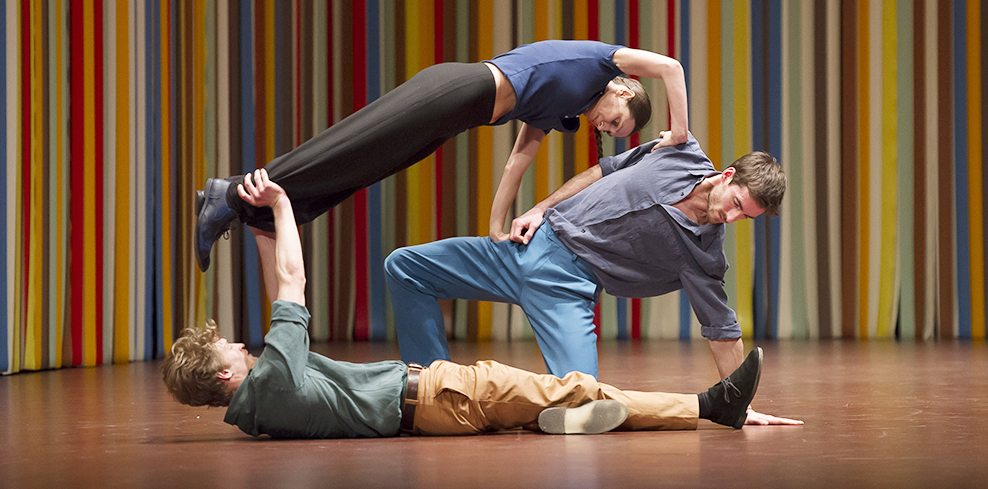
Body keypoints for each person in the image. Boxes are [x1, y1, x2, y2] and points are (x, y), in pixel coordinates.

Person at [163, 168, 781, 439]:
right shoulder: (271, 378)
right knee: (576, 390)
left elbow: (282, 293)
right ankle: (708, 408)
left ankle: (540, 412)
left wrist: (267, 233)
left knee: (574, 388)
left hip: (443, 382)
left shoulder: (254, 404)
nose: (242, 344)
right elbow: (290, 289)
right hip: (454, 377)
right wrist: (278, 206)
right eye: (230, 348)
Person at [385, 135, 803, 426]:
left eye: (743, 217)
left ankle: (483, 403)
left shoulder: (704, 253)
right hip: (526, 248)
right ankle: (434, 387)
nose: (730, 218)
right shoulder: (681, 153)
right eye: (735, 205)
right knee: (404, 266)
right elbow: (603, 171)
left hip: (566, 289)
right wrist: (541, 208)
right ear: (728, 176)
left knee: (582, 400)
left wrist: (740, 404)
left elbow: (722, 329)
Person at [194, 40, 690, 271]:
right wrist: (678, 133)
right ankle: (233, 192)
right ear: (624, 93)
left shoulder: (565, 106)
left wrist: (497, 226)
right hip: (457, 88)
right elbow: (671, 65)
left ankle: (261, 206)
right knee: (350, 144)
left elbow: (518, 160)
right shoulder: (607, 63)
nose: (604, 128)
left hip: (454, 116)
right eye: (614, 121)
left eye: (610, 132)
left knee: (366, 165)